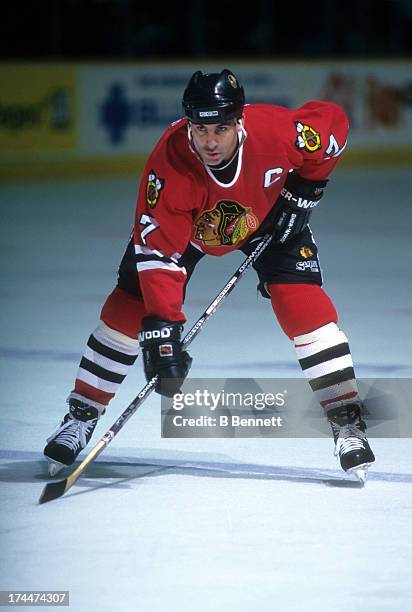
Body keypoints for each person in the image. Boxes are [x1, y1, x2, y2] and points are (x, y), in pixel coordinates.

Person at [44, 68, 375, 482]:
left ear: (239, 121)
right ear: (188, 124)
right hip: (192, 230)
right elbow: (159, 252)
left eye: (221, 128)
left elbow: (334, 127)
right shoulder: (169, 165)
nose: (210, 141)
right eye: (200, 129)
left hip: (267, 218)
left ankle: (347, 422)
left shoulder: (276, 132)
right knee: (131, 308)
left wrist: (308, 187)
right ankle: (81, 414)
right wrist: (164, 325)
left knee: (304, 308)